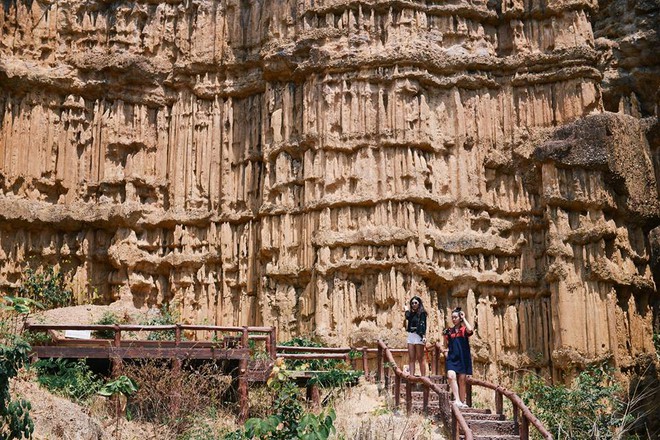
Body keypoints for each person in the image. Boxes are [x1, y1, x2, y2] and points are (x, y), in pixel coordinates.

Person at [443, 307, 473, 408]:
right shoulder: (449, 331)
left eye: (455, 317)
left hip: (463, 357)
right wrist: (444, 340)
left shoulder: (463, 329)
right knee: (451, 376)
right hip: (452, 357)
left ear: (459, 318)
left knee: (462, 380)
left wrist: (464, 318)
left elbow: (470, 330)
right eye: (452, 317)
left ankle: (462, 402)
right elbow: (445, 345)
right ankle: (457, 400)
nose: (454, 319)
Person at [404, 296, 427, 376]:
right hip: (411, 335)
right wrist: (406, 309)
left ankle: (423, 377)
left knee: (420, 357)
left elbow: (423, 325)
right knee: (411, 357)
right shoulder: (411, 314)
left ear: (419, 303)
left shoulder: (422, 313)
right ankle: (411, 376)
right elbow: (407, 316)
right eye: (412, 303)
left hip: (418, 335)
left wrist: (423, 336)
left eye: (415, 303)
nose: (414, 304)